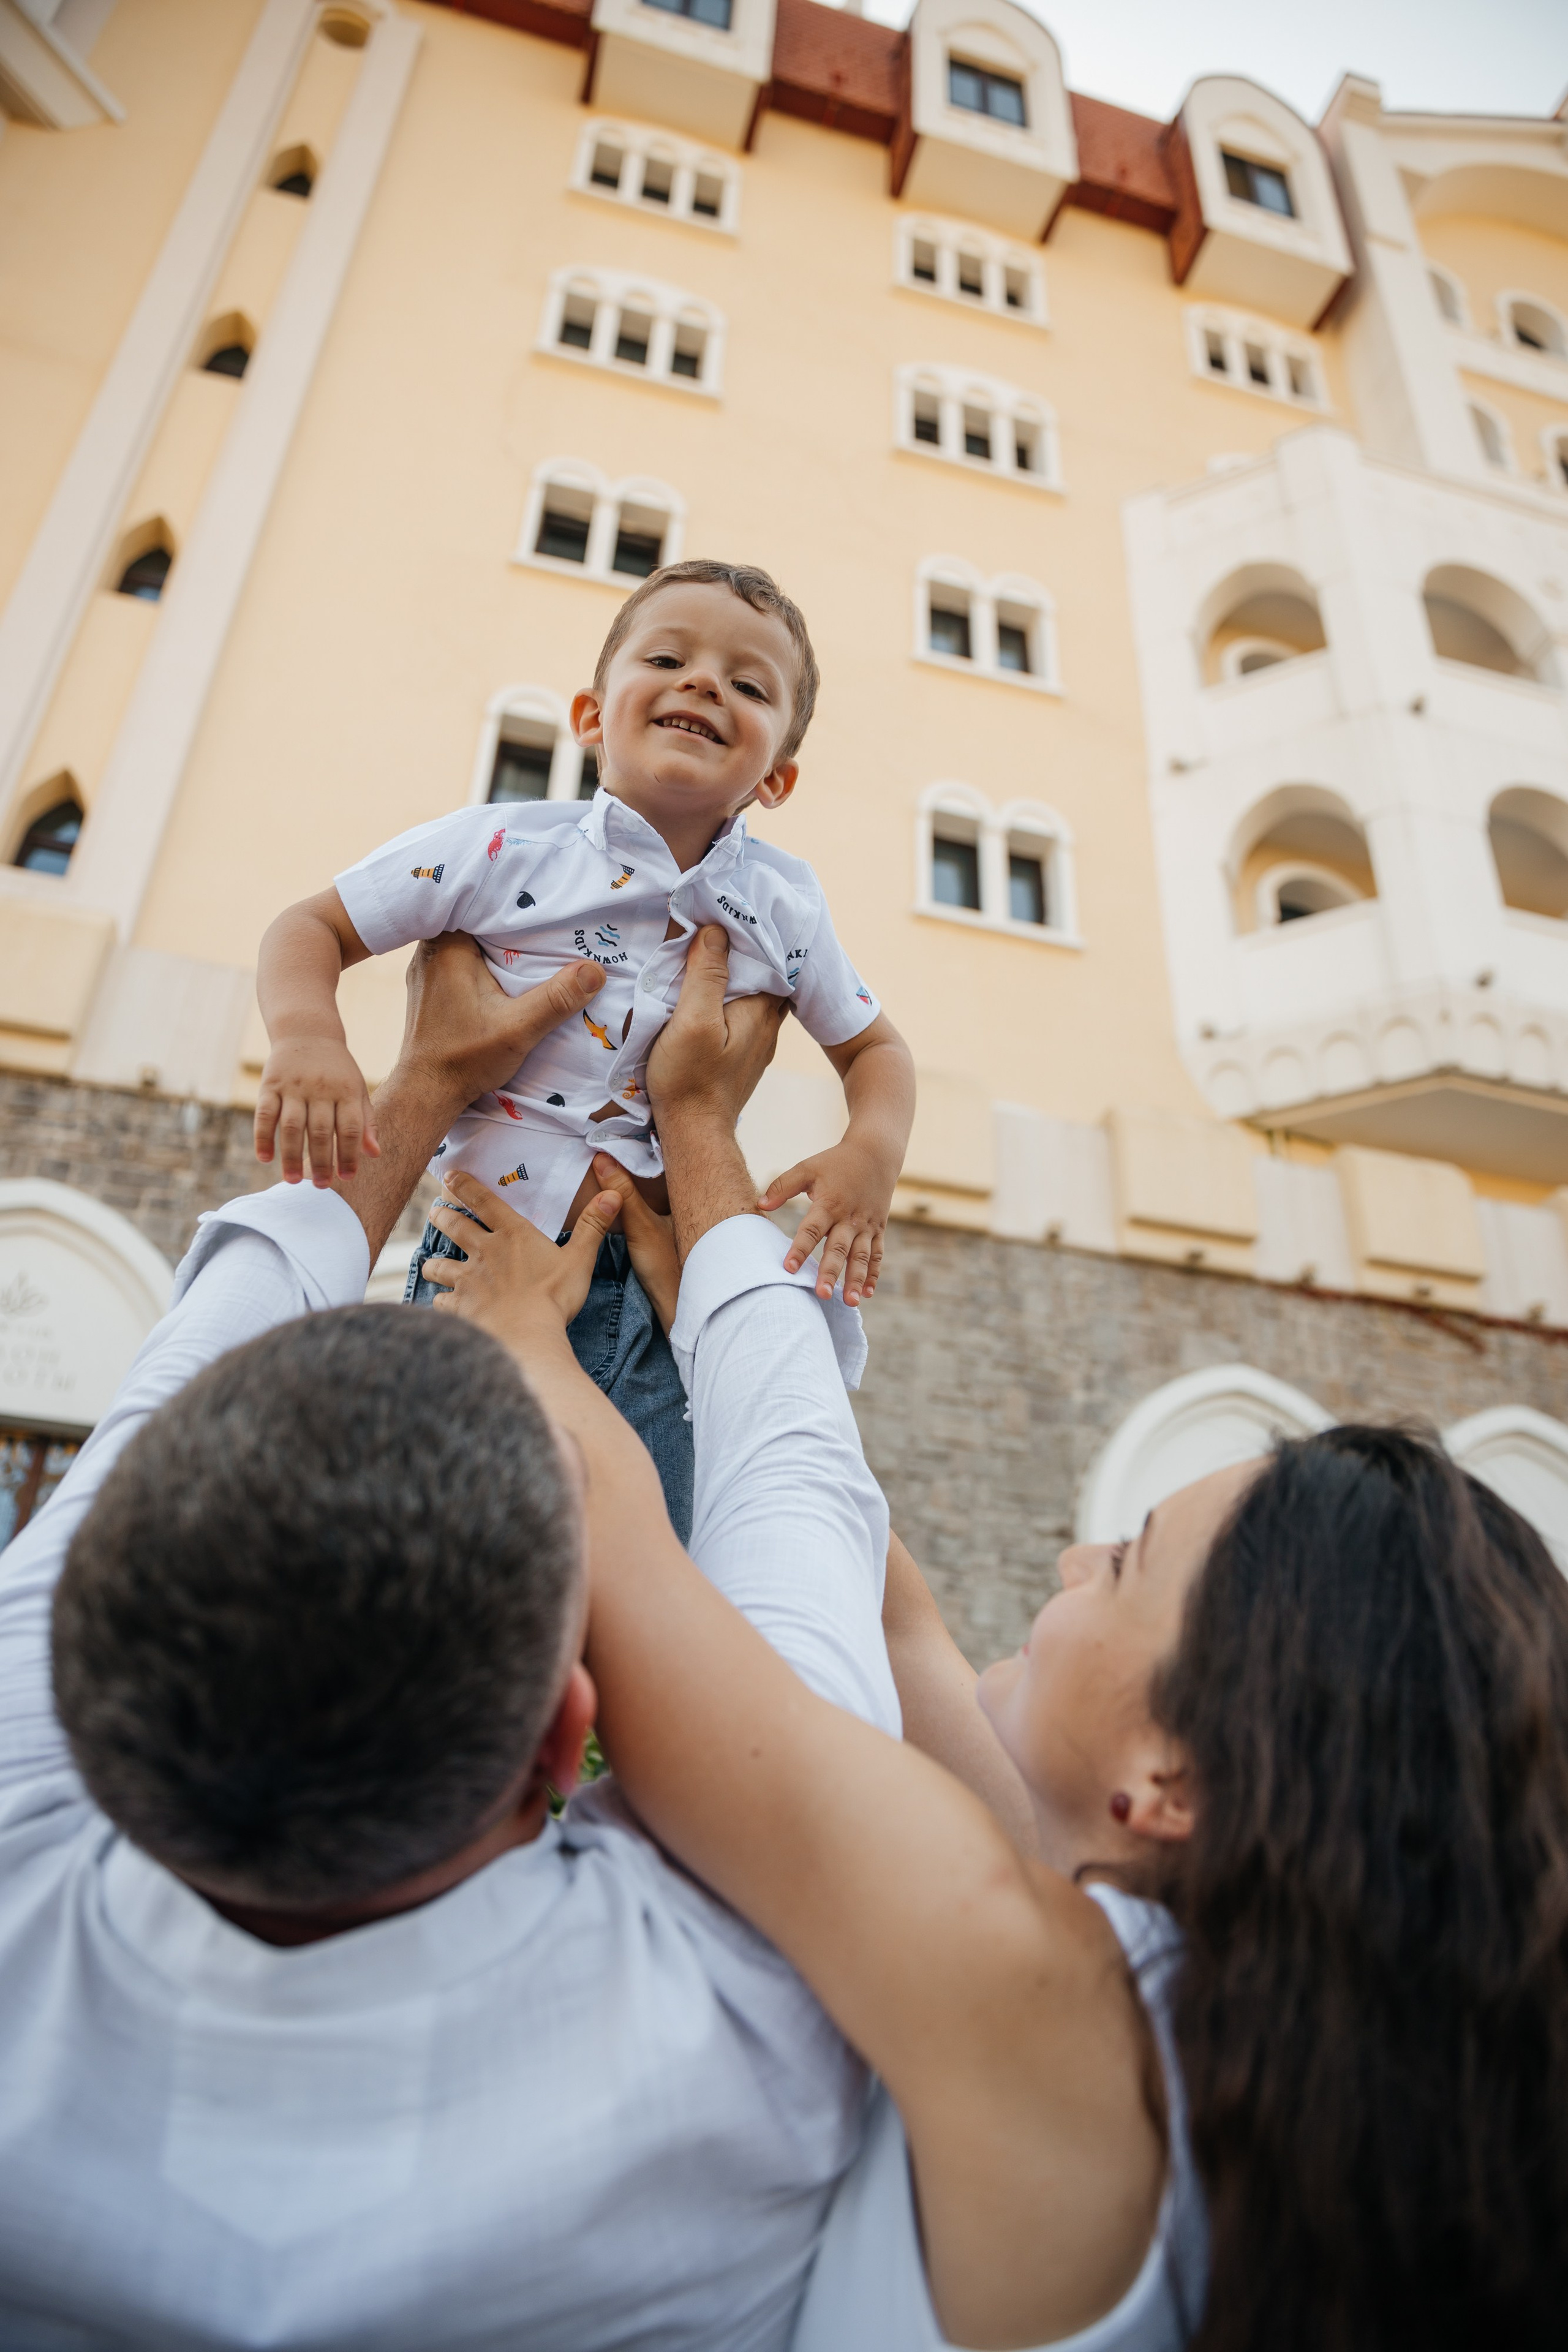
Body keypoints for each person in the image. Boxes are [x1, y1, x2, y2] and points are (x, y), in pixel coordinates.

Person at [434, 1148, 1568, 2349]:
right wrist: (707, 1300)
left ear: (1172, 1778)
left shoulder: (1061, 2013)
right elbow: (887, 1607)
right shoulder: (1282, 2039)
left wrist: (526, 1336)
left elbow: (666, 1615)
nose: (1075, 1560)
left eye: (1123, 1561)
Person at [0, 929, 903, 2350]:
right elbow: (794, 1487)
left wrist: (417, 1083)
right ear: (569, 1738)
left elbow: (159, 1386)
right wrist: (701, 1132)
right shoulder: (753, 2015)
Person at [251, 557, 916, 1538]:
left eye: (747, 683)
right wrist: (310, 1035)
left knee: (647, 1550)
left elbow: (878, 1052)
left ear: (776, 776)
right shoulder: (501, 849)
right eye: (668, 657)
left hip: (659, 1287)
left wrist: (873, 1153)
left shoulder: (785, 906)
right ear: (592, 716)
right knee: (444, 1527)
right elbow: (310, 926)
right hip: (480, 1253)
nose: (703, 683)